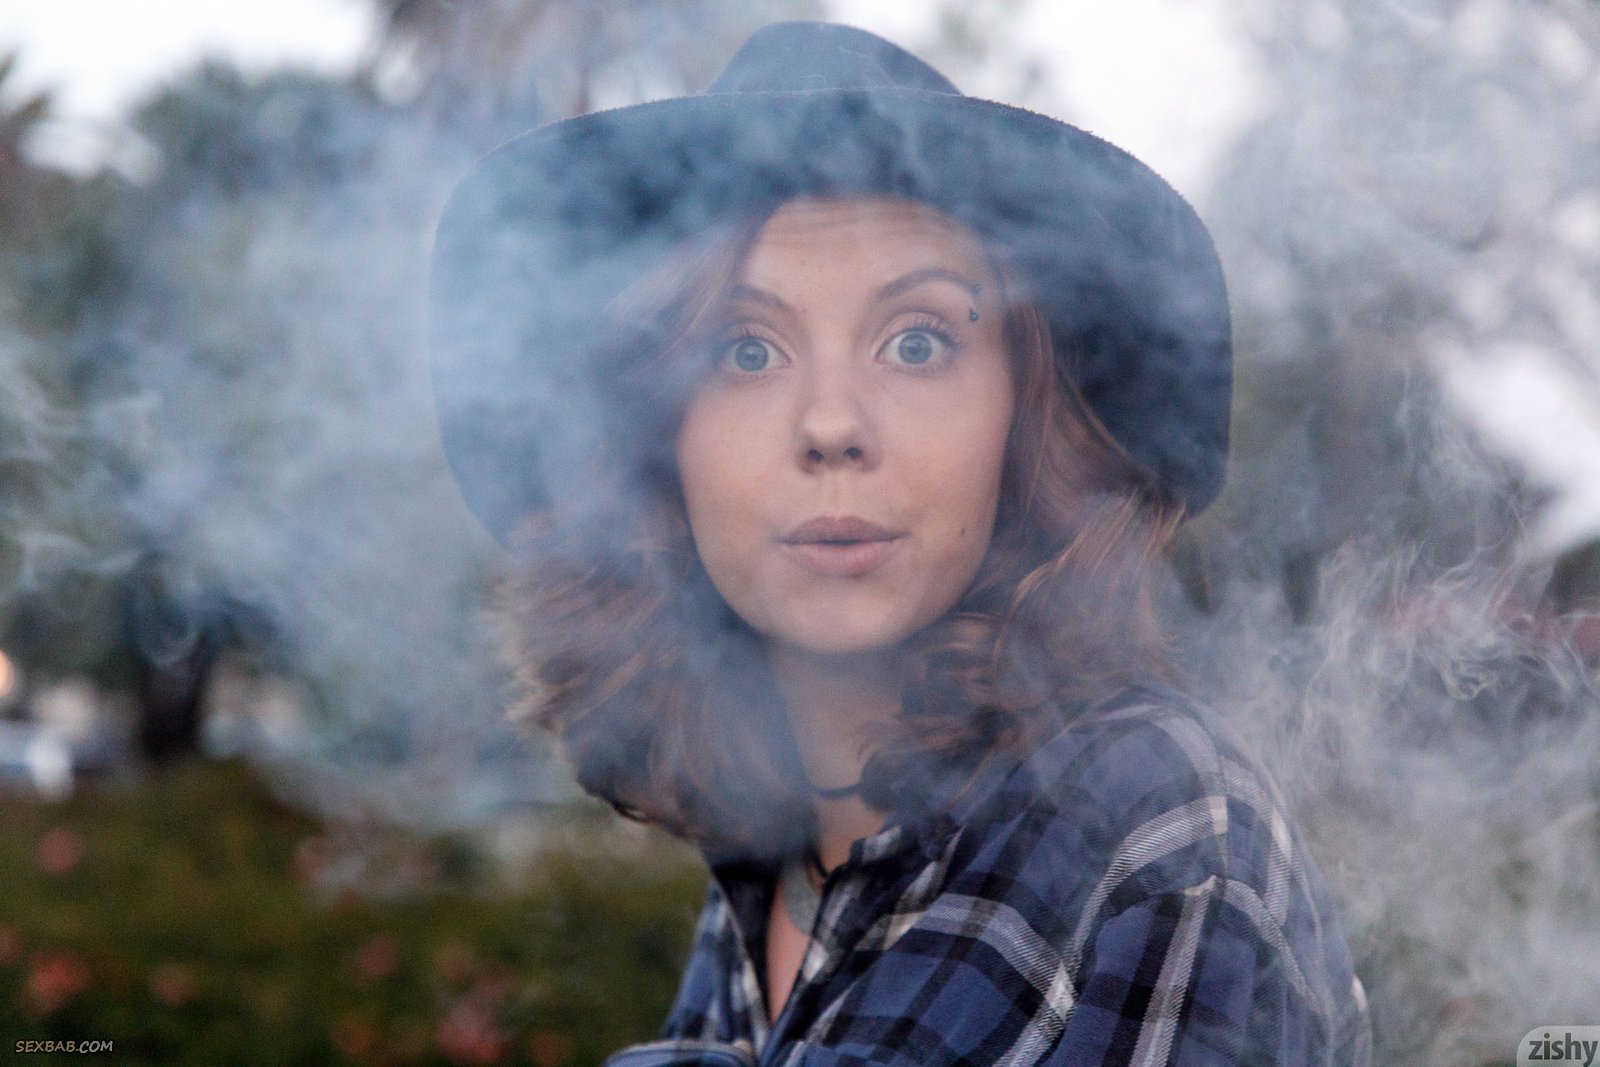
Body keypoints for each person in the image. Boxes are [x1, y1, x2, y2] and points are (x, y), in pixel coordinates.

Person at [428, 20, 1373, 1066]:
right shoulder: (771, 859)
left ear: (1019, 418)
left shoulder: (1152, 822)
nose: (832, 423)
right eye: (745, 350)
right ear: (659, 443)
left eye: (916, 342)